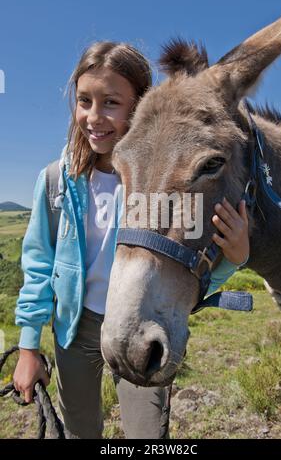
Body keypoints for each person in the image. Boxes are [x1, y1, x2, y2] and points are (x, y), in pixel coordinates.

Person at [13, 41, 249, 439]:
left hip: (145, 321)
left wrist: (235, 259)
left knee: (147, 433)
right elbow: (38, 265)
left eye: (111, 102)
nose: (93, 116)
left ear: (140, 107)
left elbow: (189, 261)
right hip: (76, 327)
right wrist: (28, 347)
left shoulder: (161, 185)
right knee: (79, 430)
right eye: (84, 100)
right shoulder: (56, 181)